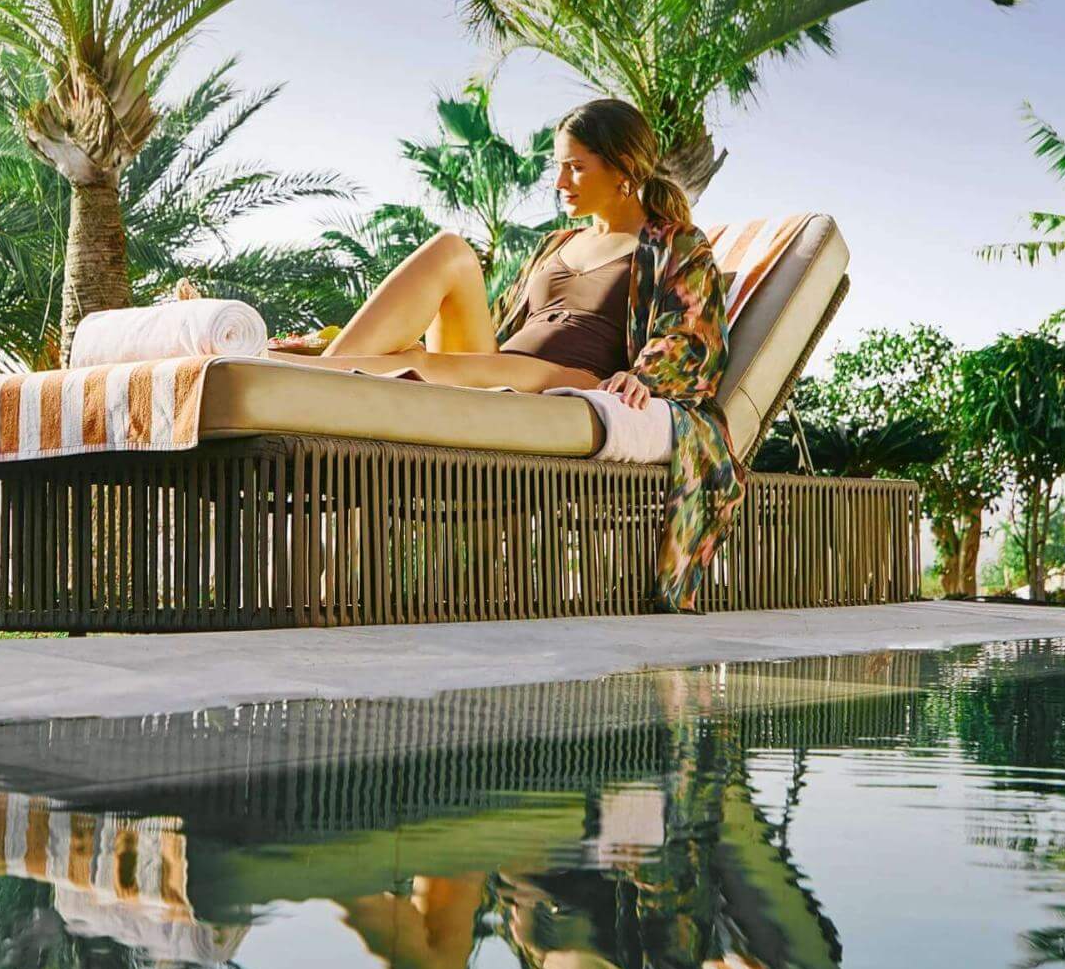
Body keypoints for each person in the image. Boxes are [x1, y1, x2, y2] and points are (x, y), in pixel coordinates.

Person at [273, 96, 743, 607]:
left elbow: (694, 332)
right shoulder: (555, 243)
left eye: (575, 167)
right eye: (558, 167)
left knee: (424, 365)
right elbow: (499, 326)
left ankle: (298, 375)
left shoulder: (674, 245)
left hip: (563, 379)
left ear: (623, 169)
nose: (560, 182)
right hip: (505, 367)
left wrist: (646, 378)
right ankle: (319, 362)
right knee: (450, 254)